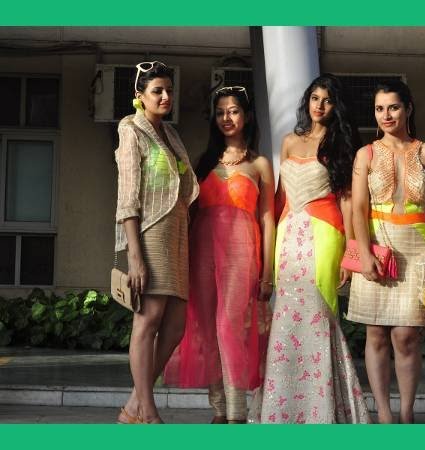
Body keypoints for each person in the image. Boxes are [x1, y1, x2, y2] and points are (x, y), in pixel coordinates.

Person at [254, 74, 369, 424]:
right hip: (288, 237)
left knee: (320, 314)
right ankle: (284, 410)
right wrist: (264, 250)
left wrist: (351, 252)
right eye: (315, 98)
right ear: (307, 101)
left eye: (327, 100)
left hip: (324, 235)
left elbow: (347, 201)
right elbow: (279, 197)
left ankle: (323, 409)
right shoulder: (289, 142)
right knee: (287, 315)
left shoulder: (341, 144)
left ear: (336, 107)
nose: (320, 105)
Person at [164, 86, 275, 424]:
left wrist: (268, 273)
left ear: (247, 116)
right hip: (202, 253)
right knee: (206, 330)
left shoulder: (259, 164)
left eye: (234, 111)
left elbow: (268, 219)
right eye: (221, 112)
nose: (227, 118)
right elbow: (188, 213)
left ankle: (237, 413)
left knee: (231, 327)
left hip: (242, 255)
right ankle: (218, 410)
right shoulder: (204, 162)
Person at [348, 81, 425, 424]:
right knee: (375, 334)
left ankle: (406, 412)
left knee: (406, 336)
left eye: (393, 107)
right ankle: (385, 415)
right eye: (379, 109)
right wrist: (364, 253)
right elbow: (358, 208)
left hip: (418, 248)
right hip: (377, 244)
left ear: (408, 108)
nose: (386, 115)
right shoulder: (366, 154)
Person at [114, 61, 199, 424]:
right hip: (150, 233)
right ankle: (147, 411)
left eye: (168, 90)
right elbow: (128, 197)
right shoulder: (131, 129)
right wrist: (135, 257)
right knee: (147, 321)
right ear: (140, 96)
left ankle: (135, 404)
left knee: (176, 326)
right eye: (157, 91)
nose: (165, 97)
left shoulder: (170, 133)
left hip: (177, 234)